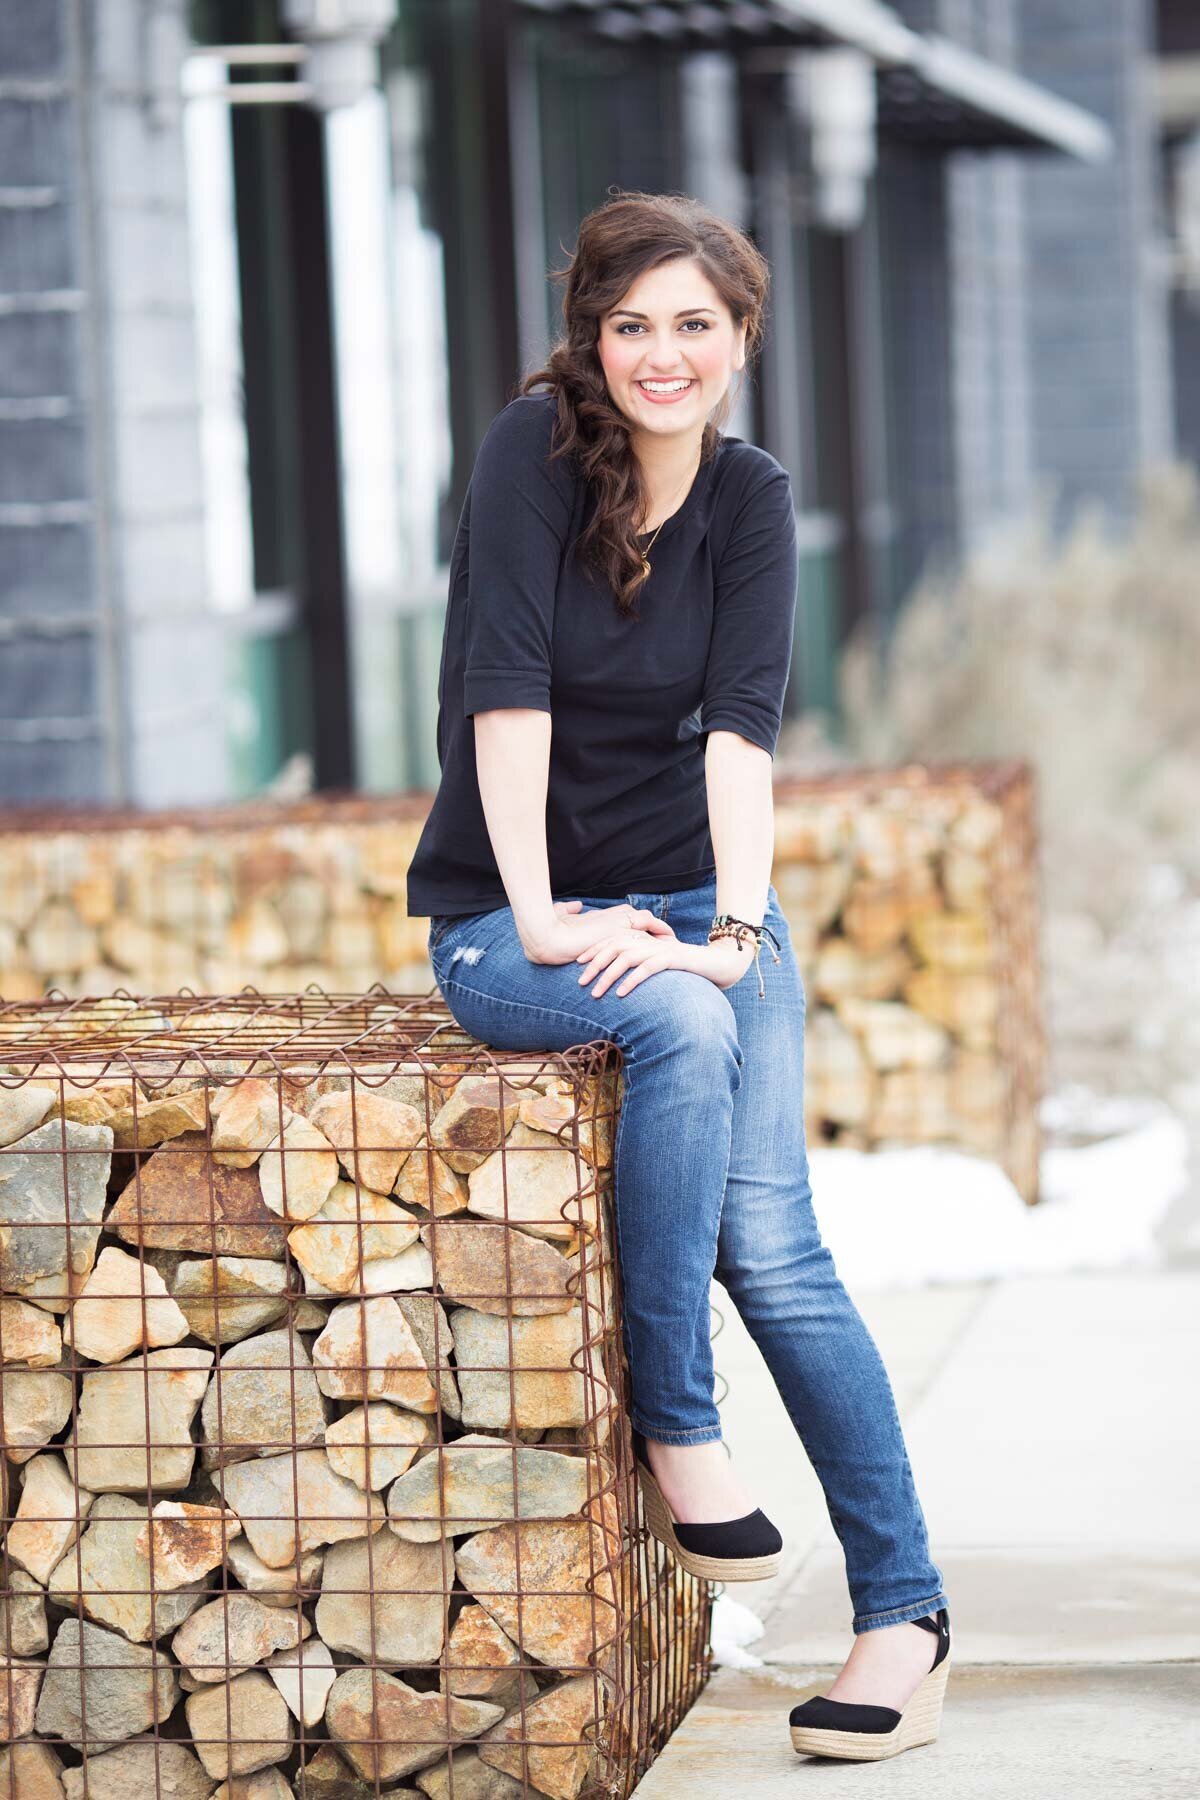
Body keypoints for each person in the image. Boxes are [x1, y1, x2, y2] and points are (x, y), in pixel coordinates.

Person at [406, 189, 951, 1762]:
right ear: (590, 336)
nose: (661, 355)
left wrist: (729, 921)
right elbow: (506, 701)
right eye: (629, 324)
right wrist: (553, 915)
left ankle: (905, 1622)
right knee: (671, 1015)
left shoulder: (754, 496)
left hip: (697, 904)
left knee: (777, 1249)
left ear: (741, 340)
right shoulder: (529, 458)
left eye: (693, 326)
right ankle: (681, 1425)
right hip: (511, 918)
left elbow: (742, 730)